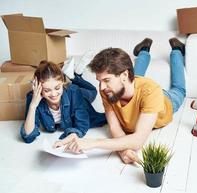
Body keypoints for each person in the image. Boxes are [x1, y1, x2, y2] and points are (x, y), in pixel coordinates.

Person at [56, 37, 186, 164]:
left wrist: (93, 143)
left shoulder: (151, 91)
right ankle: (144, 50)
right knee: (135, 77)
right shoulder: (109, 89)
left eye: (106, 80)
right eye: (99, 81)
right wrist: (123, 151)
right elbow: (114, 127)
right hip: (130, 86)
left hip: (166, 100)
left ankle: (176, 50)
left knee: (179, 89)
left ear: (124, 75)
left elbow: (138, 140)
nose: (101, 87)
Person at [20, 59, 107, 143]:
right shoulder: (33, 98)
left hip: (77, 95)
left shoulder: (74, 92)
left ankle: (75, 76)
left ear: (62, 82)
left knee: (93, 91)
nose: (53, 94)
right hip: (69, 92)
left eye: (57, 88)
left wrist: (68, 139)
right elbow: (28, 136)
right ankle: (74, 75)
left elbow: (82, 124)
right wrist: (33, 106)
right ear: (38, 88)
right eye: (47, 90)